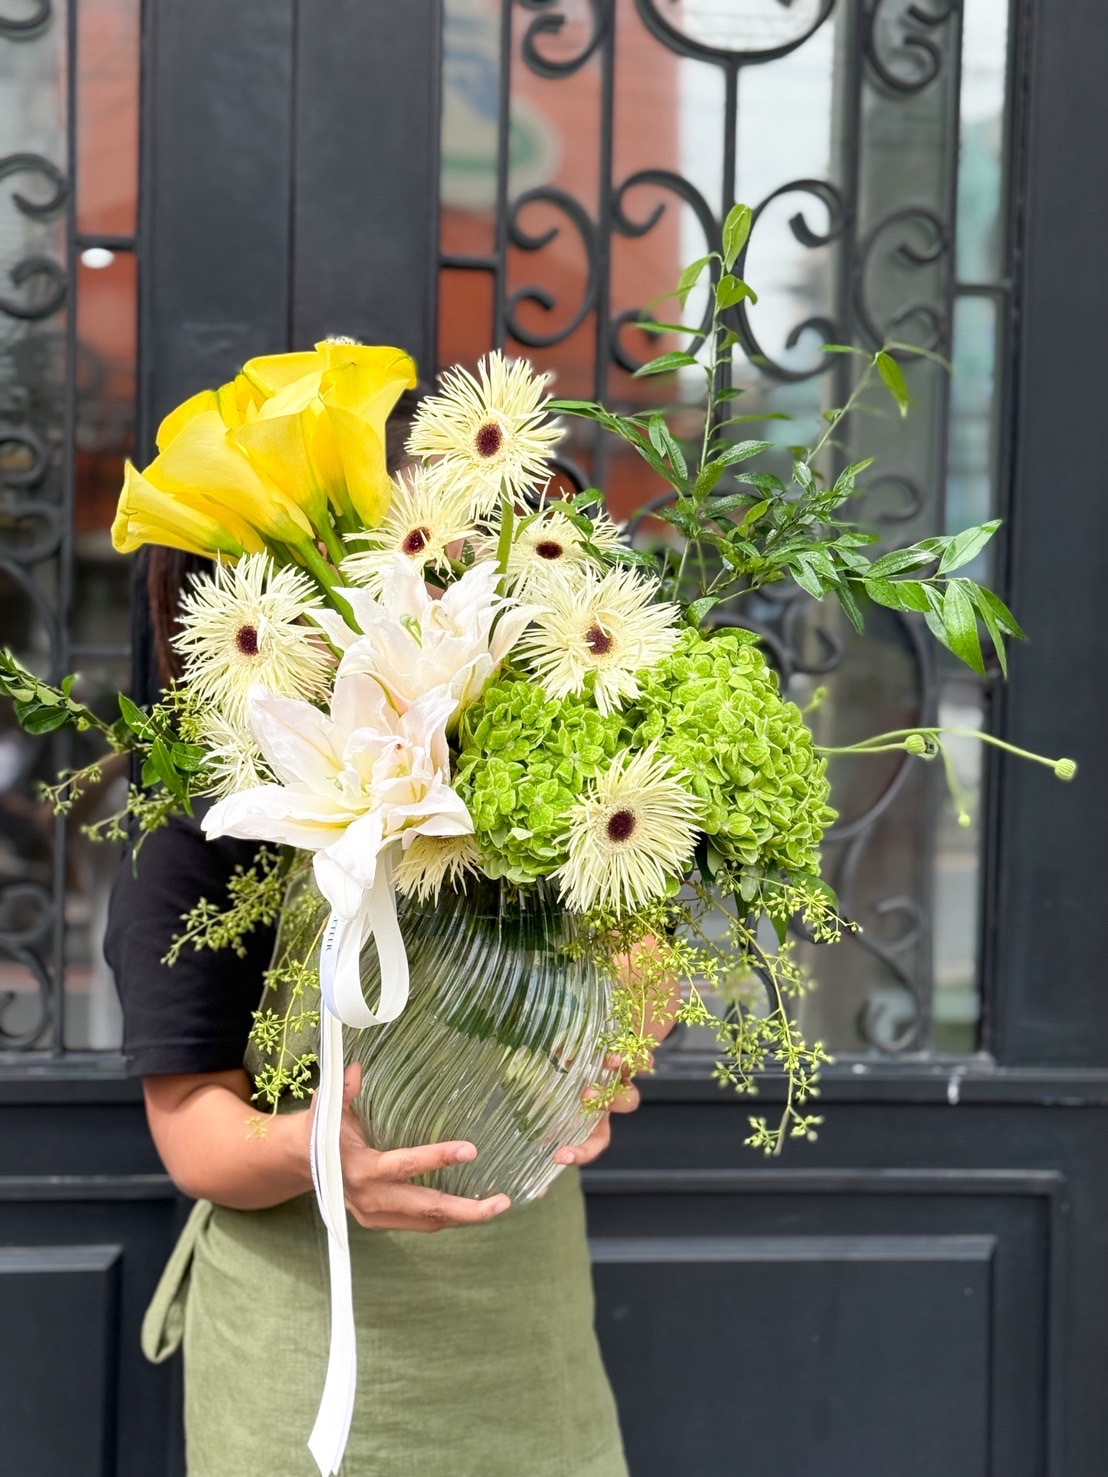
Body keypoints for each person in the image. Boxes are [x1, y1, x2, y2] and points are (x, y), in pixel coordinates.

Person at [103, 398, 648, 1477]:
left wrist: (611, 1041)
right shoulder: (210, 820)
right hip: (308, 1358)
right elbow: (192, 1125)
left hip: (523, 1339)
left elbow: (639, 945)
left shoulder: (545, 774)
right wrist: (317, 1152)